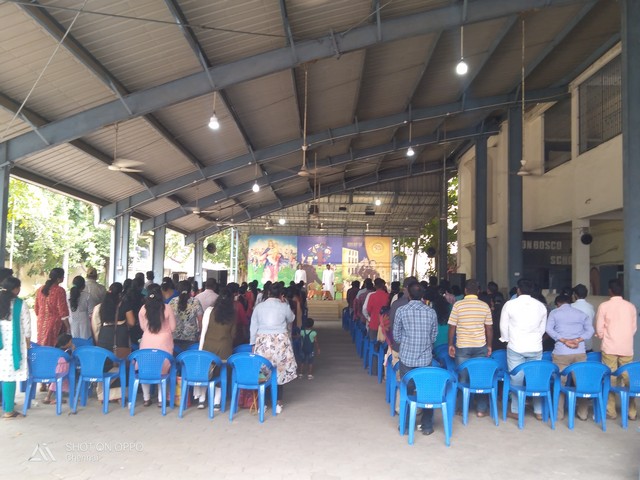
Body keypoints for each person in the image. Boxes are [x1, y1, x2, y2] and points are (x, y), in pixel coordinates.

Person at [392, 281, 438, 435]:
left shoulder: (401, 311)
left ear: (409, 295)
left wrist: (407, 343)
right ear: (422, 295)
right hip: (425, 359)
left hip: (406, 358)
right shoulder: (431, 312)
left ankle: (405, 425)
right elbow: (434, 336)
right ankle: (427, 426)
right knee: (426, 390)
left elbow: (396, 336)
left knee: (407, 390)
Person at [499, 278, 548, 421]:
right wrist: (535, 338)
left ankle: (516, 410)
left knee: (516, 379)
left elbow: (503, 326)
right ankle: (538, 411)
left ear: (518, 290)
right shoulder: (540, 306)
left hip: (516, 346)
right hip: (535, 347)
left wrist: (506, 339)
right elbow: (542, 329)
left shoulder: (510, 304)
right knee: (535, 378)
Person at [447, 279, 493, 417]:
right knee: (480, 377)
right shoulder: (484, 306)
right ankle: (481, 409)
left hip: (463, 346)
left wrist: (450, 344)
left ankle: (462, 409)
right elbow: (489, 328)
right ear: (478, 291)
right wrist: (489, 345)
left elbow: (452, 327)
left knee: (463, 378)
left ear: (465, 291)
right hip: (480, 346)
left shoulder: (458, 305)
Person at [250, 283, 298, 414]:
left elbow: (253, 327)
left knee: (263, 372)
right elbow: (291, 318)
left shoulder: (259, 307)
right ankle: (278, 403)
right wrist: (284, 303)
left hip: (263, 342)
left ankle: (263, 403)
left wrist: (253, 344)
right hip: (280, 342)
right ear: (281, 295)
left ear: (268, 293)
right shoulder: (284, 306)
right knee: (279, 372)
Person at [545, 294, 594, 421]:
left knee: (560, 382)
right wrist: (578, 340)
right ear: (570, 302)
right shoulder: (581, 314)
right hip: (579, 351)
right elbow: (590, 331)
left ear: (558, 304)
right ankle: (583, 413)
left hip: (561, 352)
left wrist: (563, 340)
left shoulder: (555, 313)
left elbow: (548, 329)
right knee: (581, 382)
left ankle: (559, 414)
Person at [595, 279, 638, 420]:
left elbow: (599, 328)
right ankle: (632, 411)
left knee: (610, 378)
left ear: (610, 291)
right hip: (626, 347)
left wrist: (603, 335)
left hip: (610, 347)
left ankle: (611, 411)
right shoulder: (631, 307)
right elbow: (633, 328)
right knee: (628, 378)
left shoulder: (604, 306)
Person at [197, 287, 237, 410]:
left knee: (206, 372)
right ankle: (216, 401)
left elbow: (203, 330)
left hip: (208, 348)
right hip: (224, 349)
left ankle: (202, 399)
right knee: (221, 373)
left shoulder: (209, 311)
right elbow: (233, 334)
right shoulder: (232, 314)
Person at [138, 284, 177, 407]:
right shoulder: (167, 308)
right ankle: (161, 399)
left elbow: (143, 327)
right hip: (164, 341)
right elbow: (173, 327)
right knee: (162, 370)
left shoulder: (143, 309)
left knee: (145, 368)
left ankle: (146, 398)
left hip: (147, 340)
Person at [0, 276, 31, 418]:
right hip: (12, 346)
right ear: (15, 289)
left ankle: (6, 404)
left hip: (2, 344)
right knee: (9, 376)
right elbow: (27, 327)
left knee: (3, 374)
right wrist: (28, 344)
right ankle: (9, 411)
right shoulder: (20, 304)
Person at [34, 268, 70, 348]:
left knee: (42, 345)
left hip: (41, 323)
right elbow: (63, 312)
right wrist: (68, 327)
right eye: (63, 276)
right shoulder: (59, 291)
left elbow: (36, 309)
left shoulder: (40, 289)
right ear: (58, 279)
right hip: (54, 325)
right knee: (53, 348)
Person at [170, 280, 204, 351]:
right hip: (191, 337)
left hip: (175, 336)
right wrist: (201, 333)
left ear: (178, 290)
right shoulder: (195, 302)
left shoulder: (172, 301)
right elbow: (200, 320)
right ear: (190, 290)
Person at [43, 333, 74, 405]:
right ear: (67, 343)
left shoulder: (56, 350)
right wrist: (73, 349)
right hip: (64, 370)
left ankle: (56, 398)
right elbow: (71, 358)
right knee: (57, 384)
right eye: (70, 341)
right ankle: (49, 397)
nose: (72, 343)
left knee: (56, 384)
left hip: (55, 369)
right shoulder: (68, 351)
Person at [571, 284, 596, 352]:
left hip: (574, 344)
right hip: (587, 343)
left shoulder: (571, 307)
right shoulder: (590, 307)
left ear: (575, 294)